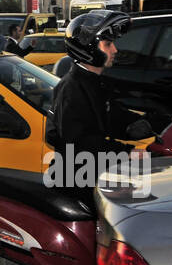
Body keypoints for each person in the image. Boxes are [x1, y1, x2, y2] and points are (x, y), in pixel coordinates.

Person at [47, 10, 137, 160]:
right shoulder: (71, 89)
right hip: (74, 179)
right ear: (90, 49)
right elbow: (79, 143)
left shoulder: (94, 83)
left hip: (94, 174)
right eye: (108, 44)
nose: (114, 49)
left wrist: (155, 124)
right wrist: (126, 152)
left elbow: (112, 117)